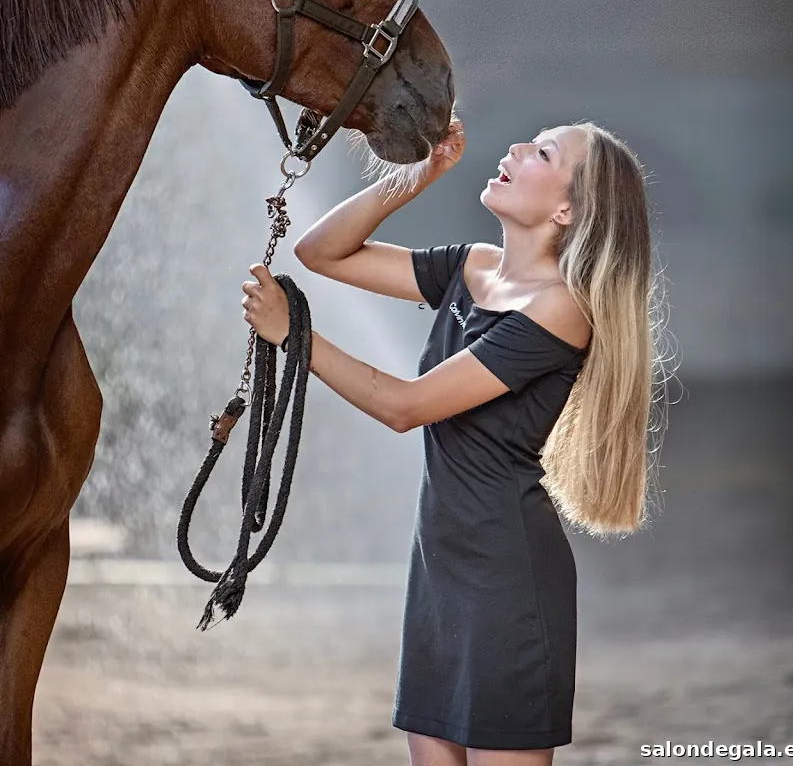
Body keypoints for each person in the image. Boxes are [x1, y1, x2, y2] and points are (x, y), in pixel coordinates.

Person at [241, 117, 667, 766]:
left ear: (565, 208)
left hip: (507, 581)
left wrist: (293, 337)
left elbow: (404, 407)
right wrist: (414, 176)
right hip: (440, 570)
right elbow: (320, 252)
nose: (516, 147)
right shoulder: (472, 268)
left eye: (542, 152)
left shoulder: (559, 309)